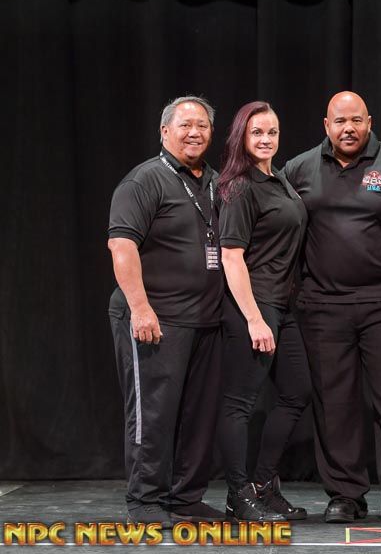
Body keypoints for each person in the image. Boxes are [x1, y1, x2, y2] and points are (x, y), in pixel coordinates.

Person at [284, 92, 381, 526]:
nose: (349, 129)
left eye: (356, 121)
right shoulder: (299, 169)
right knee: (335, 404)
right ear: (326, 125)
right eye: (340, 121)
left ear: (370, 122)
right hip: (324, 305)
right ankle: (345, 494)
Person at [107, 96, 225, 527]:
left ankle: (185, 498)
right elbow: (122, 246)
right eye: (185, 125)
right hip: (156, 318)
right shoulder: (145, 180)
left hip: (205, 319)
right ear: (164, 131)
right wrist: (140, 308)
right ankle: (146, 501)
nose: (194, 132)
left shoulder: (215, 181)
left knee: (197, 416)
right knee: (153, 413)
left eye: (202, 126)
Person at [216, 101, 311, 522]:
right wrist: (254, 318)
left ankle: (262, 485)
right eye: (256, 132)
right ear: (242, 136)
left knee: (296, 392)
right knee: (239, 402)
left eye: (271, 132)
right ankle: (238, 495)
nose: (266, 139)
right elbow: (231, 256)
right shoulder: (240, 186)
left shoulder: (279, 180)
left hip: (282, 305)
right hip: (252, 306)